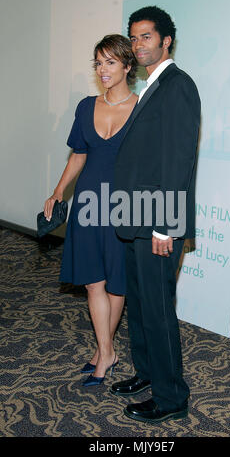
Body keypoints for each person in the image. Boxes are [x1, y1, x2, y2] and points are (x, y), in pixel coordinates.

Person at [110, 6, 201, 423]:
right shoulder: (150, 87)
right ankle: (147, 373)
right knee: (142, 305)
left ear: (166, 40)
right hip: (135, 219)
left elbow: (177, 160)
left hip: (156, 224)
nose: (138, 44)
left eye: (146, 36)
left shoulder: (178, 86)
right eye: (134, 37)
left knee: (158, 309)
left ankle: (171, 396)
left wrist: (165, 225)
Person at [44, 35, 138, 386]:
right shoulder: (86, 106)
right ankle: (106, 350)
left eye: (110, 62)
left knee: (116, 285)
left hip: (122, 207)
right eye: (98, 63)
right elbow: (79, 154)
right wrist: (57, 191)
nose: (102, 70)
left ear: (128, 66)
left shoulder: (142, 108)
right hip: (87, 204)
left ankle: (104, 352)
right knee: (93, 282)